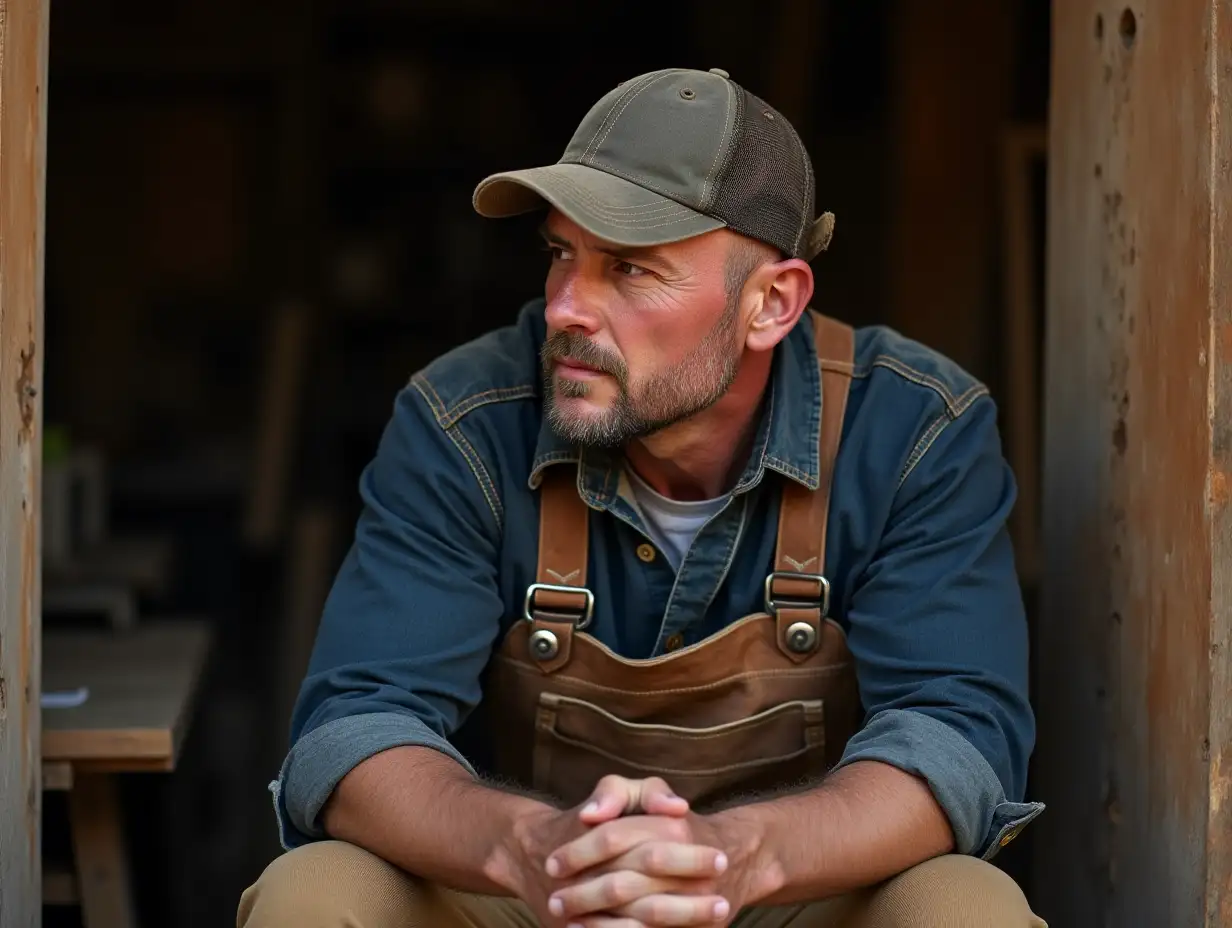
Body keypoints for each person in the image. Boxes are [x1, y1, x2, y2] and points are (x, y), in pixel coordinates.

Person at [237, 67, 1046, 927]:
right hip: (538, 892)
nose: (564, 310)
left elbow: (959, 737)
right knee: (315, 895)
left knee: (968, 907)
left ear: (771, 304)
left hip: (794, 891)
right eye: (560, 255)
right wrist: (534, 848)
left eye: (629, 268)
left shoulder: (915, 428)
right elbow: (356, 726)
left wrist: (736, 858)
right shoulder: (465, 419)